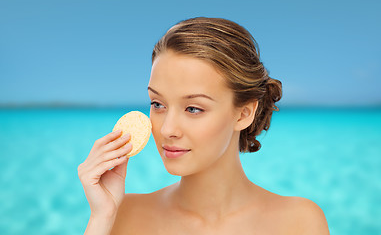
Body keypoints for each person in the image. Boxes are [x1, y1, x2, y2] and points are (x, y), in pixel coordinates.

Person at [78, 17, 330, 234]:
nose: (167, 129)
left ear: (244, 113)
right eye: (157, 104)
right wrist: (101, 218)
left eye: (193, 108)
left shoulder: (299, 222)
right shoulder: (123, 215)